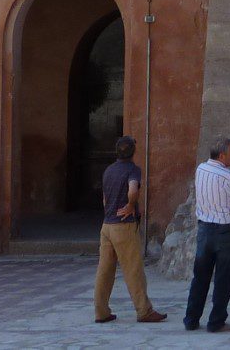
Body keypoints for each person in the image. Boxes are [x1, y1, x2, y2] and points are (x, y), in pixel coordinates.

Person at [93, 135, 166, 324]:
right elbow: (133, 189)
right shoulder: (133, 170)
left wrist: (110, 211)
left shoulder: (108, 170)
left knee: (104, 271)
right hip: (123, 225)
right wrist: (130, 204)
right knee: (133, 269)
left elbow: (104, 198)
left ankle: (101, 312)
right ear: (133, 151)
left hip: (107, 225)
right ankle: (144, 310)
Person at [184, 137, 230, 332]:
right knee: (223, 278)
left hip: (204, 228)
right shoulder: (227, 176)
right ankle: (216, 321)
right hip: (225, 230)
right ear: (222, 155)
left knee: (200, 276)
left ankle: (191, 319)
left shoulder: (201, 169)